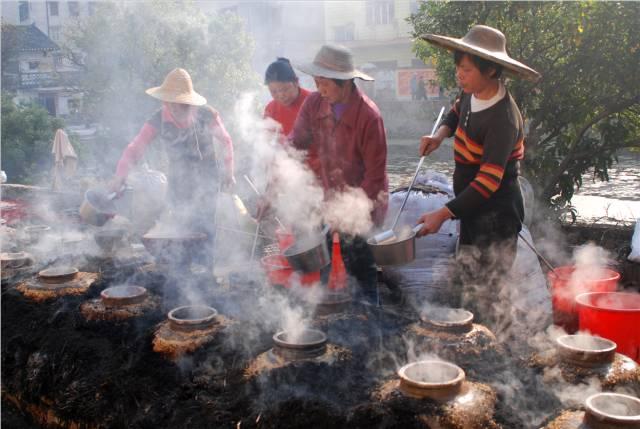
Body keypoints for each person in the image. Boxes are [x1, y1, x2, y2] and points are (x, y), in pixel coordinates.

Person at [414, 25, 541, 328]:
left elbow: (487, 182)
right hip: (471, 208)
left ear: (491, 71)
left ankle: (494, 350)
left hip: (496, 214)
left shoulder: (503, 119)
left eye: (467, 70)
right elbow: (455, 113)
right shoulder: (470, 93)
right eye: (458, 67)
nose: (460, 75)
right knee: (468, 279)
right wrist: (440, 136)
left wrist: (443, 214)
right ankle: (469, 338)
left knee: (490, 290)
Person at [109, 68, 235, 269]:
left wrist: (229, 170)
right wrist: (119, 176)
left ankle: (205, 276)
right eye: (172, 102)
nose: (177, 108)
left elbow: (226, 141)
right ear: (165, 100)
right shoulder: (158, 119)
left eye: (182, 103)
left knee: (205, 228)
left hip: (207, 182)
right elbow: (135, 148)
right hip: (178, 183)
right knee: (179, 230)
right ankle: (182, 277)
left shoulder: (206, 114)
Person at [292, 44, 389, 302]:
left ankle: (370, 324)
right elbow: (296, 143)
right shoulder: (314, 104)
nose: (319, 90)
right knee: (321, 262)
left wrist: (348, 213)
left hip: (364, 203)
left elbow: (375, 177)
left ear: (345, 83)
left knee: (360, 268)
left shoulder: (369, 117)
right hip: (329, 196)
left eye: (325, 84)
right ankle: (326, 318)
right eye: (316, 82)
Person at [264, 57, 311, 137]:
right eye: (274, 92)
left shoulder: (314, 102)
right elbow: (267, 140)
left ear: (296, 82)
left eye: (284, 89)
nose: (281, 95)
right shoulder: (271, 109)